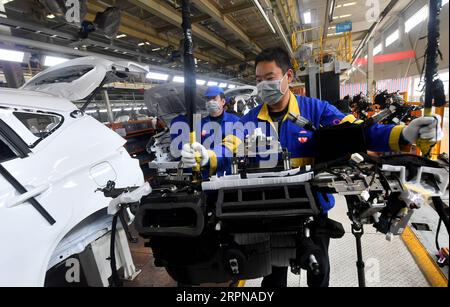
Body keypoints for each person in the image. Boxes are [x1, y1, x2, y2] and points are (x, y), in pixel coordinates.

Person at [180, 47, 443, 287]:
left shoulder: (316, 110)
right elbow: (230, 146)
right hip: (268, 210)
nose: (263, 85)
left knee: (318, 271)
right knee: (273, 276)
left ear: (288, 76)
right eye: (258, 80)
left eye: (269, 77)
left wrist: (404, 134)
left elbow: (358, 133)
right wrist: (208, 156)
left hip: (312, 207)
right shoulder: (250, 118)